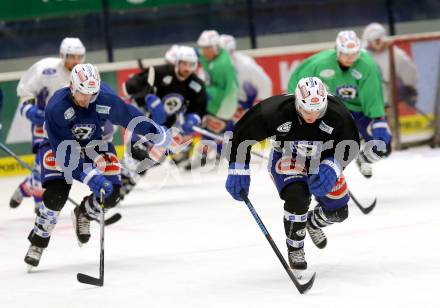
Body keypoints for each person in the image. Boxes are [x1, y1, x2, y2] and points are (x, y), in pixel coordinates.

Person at [24, 63, 172, 268]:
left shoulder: (104, 98)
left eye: (91, 93)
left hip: (95, 145)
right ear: (72, 86)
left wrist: (155, 130)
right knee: (55, 197)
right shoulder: (57, 107)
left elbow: (128, 116)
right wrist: (90, 175)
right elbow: (66, 154)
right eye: (82, 93)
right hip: (60, 147)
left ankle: (84, 213)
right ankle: (38, 241)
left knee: (112, 194)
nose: (86, 99)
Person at [225, 77, 360, 273]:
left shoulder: (337, 113)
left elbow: (351, 144)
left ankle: (312, 222)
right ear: (297, 102)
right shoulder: (275, 111)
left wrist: (333, 166)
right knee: (298, 196)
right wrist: (238, 169)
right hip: (288, 157)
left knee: (339, 212)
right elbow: (241, 136)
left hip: (323, 161)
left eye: (317, 110)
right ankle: (296, 247)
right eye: (307, 110)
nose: (312, 116)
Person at [288, 30, 391, 178]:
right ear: (337, 50)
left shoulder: (367, 66)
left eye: (354, 53)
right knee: (322, 143)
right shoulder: (319, 63)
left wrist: (379, 120)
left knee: (383, 146)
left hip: (358, 111)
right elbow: (296, 84)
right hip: (330, 110)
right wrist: (296, 109)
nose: (350, 58)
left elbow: (372, 98)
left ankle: (364, 159)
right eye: (346, 53)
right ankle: (323, 167)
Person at [120, 45, 207, 199]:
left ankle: (123, 187)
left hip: (166, 129)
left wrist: (194, 117)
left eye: (191, 65)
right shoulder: (159, 72)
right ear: (177, 62)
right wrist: (147, 98)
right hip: (144, 122)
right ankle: (114, 182)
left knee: (149, 160)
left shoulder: (197, 84)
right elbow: (128, 88)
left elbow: (198, 106)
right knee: (136, 152)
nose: (187, 68)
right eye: (184, 63)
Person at [10, 38, 86, 210]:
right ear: (63, 55)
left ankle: (25, 188)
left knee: (46, 164)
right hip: (42, 122)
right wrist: (28, 109)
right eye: (72, 56)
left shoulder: (85, 74)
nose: (76, 61)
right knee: (42, 161)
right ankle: (40, 202)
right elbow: (25, 92)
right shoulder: (45, 69)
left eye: (79, 57)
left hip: (66, 127)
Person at [193, 30, 238, 166]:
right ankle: (220, 151)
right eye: (203, 49)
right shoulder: (213, 56)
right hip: (215, 101)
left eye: (207, 49)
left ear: (215, 48)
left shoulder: (222, 66)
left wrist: (221, 111)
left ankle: (220, 151)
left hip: (222, 103)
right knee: (213, 126)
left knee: (216, 126)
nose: (204, 52)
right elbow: (201, 56)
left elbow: (230, 89)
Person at [362, 22, 418, 109]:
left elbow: (410, 77)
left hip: (388, 102)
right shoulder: (364, 54)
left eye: (374, 41)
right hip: (368, 101)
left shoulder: (397, 55)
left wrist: (409, 90)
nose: (369, 45)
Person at [218, 34, 272, 122]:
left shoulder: (247, 66)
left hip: (247, 106)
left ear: (232, 51)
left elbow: (265, 84)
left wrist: (256, 110)